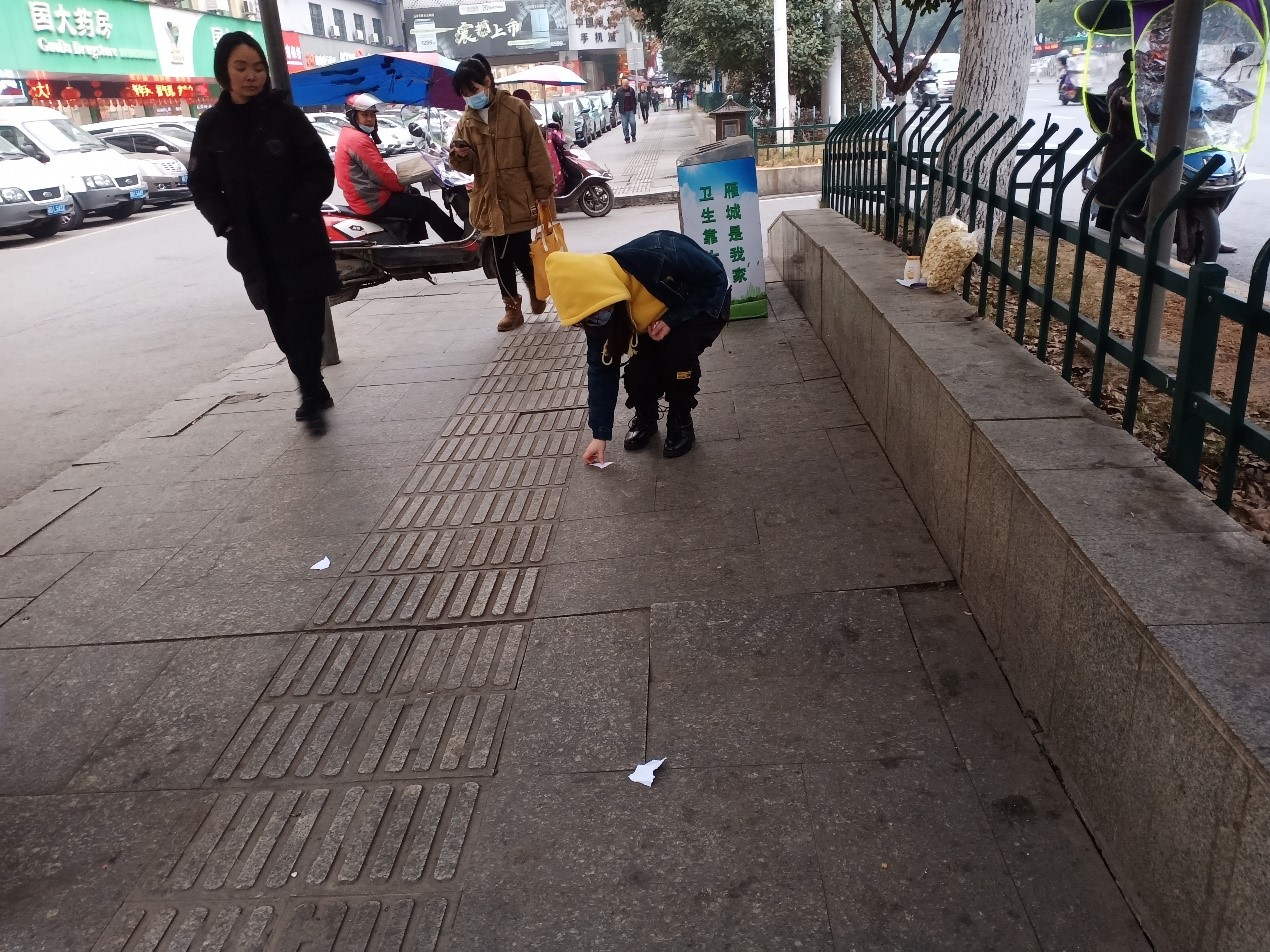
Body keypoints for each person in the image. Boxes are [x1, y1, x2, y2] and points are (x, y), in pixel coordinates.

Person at [189, 31, 339, 434]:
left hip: (298, 237)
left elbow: (319, 170)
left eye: (258, 67)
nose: (251, 75)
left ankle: (310, 392)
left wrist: (297, 209)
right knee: (283, 325)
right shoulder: (212, 125)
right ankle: (312, 384)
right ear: (224, 72)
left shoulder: (286, 117)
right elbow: (201, 184)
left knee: (307, 320)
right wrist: (226, 223)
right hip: (253, 245)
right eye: (241, 67)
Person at [545, 230, 731, 461]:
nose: (597, 323)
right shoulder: (599, 313)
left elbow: (716, 279)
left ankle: (681, 419)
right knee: (639, 372)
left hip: (700, 306)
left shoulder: (661, 250)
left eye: (600, 314)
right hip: (649, 323)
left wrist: (672, 320)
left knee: (676, 357)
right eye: (588, 321)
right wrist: (600, 435)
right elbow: (601, 368)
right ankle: (646, 417)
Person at [448, 54, 556, 332]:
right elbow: (468, 168)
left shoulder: (515, 109)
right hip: (488, 198)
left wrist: (543, 190)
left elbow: (536, 152)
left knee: (518, 249)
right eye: (464, 93)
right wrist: (460, 155)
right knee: (500, 252)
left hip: (518, 195)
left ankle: (533, 286)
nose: (469, 97)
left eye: (472, 90)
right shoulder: (466, 121)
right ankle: (513, 307)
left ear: (487, 81)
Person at [335, 92, 467, 244]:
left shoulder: (349, 134)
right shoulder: (357, 139)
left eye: (372, 115)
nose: (370, 119)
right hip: (372, 201)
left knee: (414, 194)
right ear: (353, 116)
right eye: (365, 115)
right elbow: (381, 174)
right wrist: (402, 187)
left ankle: (412, 243)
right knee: (426, 206)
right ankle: (459, 241)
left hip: (365, 197)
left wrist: (406, 187)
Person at [616, 77, 638, 143]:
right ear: (622, 85)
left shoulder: (631, 90)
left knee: (633, 123)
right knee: (625, 125)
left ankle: (633, 135)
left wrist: (634, 107)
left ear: (628, 84)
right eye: (624, 85)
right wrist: (612, 107)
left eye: (626, 85)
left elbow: (634, 99)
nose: (625, 86)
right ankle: (627, 137)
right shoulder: (619, 91)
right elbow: (615, 99)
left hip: (631, 110)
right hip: (623, 111)